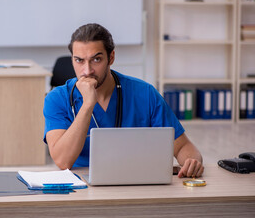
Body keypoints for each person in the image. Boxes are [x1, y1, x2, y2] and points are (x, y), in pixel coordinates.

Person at [43, 23, 204, 178]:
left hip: (135, 183)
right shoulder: (57, 98)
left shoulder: (145, 94)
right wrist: (87, 105)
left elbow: (183, 146)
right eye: (79, 60)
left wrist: (191, 161)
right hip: (82, 187)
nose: (87, 70)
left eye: (96, 60)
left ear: (111, 57)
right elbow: (63, 162)